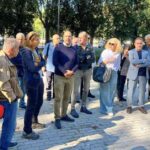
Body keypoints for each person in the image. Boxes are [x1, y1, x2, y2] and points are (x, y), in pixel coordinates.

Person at [21, 31, 46, 140]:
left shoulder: (35, 50)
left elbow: (43, 61)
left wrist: (39, 63)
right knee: (30, 106)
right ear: (30, 40)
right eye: (36, 39)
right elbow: (32, 68)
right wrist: (39, 64)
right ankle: (27, 131)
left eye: (38, 39)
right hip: (30, 81)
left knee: (40, 101)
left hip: (38, 78)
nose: (38, 41)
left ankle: (34, 121)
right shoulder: (25, 52)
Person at [0, 38, 23, 149]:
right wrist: (12, 98)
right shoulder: (2, 60)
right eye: (17, 48)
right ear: (11, 49)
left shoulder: (4, 58)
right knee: (9, 126)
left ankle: (5, 141)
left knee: (9, 125)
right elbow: (3, 83)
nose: (19, 50)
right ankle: (4, 146)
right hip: (6, 100)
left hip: (6, 99)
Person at [53, 30, 78, 129]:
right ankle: (57, 118)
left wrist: (72, 72)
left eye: (70, 36)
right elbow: (55, 62)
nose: (68, 38)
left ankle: (63, 115)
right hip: (59, 76)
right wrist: (64, 71)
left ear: (71, 38)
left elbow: (77, 63)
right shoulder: (58, 48)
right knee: (58, 98)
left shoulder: (74, 49)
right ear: (63, 37)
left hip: (71, 77)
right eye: (66, 36)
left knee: (66, 98)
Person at [70, 31, 95, 118]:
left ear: (86, 38)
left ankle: (83, 106)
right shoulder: (75, 47)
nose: (80, 39)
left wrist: (84, 58)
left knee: (86, 89)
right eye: (79, 38)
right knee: (75, 90)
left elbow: (93, 59)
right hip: (78, 70)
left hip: (88, 70)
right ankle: (72, 109)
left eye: (82, 38)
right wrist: (84, 58)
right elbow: (74, 60)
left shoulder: (90, 47)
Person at [98, 38, 122, 116]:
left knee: (112, 90)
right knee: (104, 90)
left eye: (113, 44)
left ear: (116, 45)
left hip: (114, 72)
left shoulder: (118, 53)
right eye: (110, 43)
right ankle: (106, 108)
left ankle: (108, 106)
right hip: (105, 71)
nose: (111, 45)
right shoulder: (105, 51)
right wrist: (106, 61)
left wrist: (107, 60)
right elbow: (100, 63)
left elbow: (114, 61)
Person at [127, 37, 150, 114]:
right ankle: (129, 106)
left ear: (143, 44)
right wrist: (143, 60)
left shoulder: (146, 52)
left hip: (143, 74)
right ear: (134, 44)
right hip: (133, 74)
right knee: (131, 90)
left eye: (141, 43)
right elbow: (132, 61)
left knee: (142, 90)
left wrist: (140, 65)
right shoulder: (131, 52)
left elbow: (148, 63)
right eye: (137, 43)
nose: (139, 45)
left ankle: (141, 106)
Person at [10, 32, 26, 109]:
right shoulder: (12, 48)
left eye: (22, 39)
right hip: (15, 74)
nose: (20, 40)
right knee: (15, 89)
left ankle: (22, 103)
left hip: (23, 73)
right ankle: (14, 103)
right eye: (19, 39)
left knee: (23, 89)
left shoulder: (26, 49)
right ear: (16, 39)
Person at [43, 34, 60, 101]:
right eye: (57, 38)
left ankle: (55, 95)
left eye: (59, 38)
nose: (58, 40)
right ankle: (48, 95)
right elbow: (44, 56)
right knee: (49, 82)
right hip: (49, 67)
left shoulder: (60, 46)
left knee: (56, 82)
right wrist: (44, 65)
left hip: (57, 68)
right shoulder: (48, 45)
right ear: (53, 39)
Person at [143, 34, 150, 100]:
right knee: (142, 82)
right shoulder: (143, 47)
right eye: (147, 40)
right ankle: (141, 96)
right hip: (144, 67)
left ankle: (149, 96)